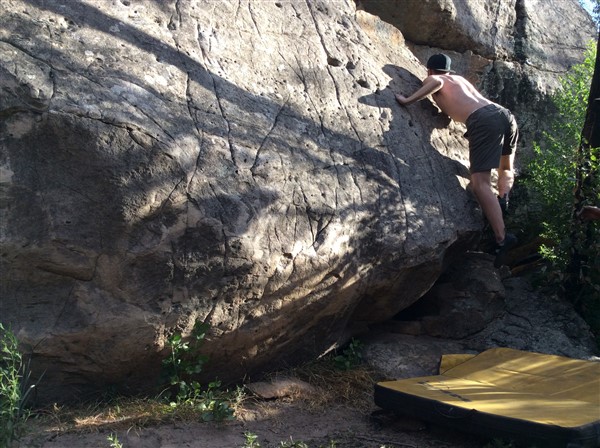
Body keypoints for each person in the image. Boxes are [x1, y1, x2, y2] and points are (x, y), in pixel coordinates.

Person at [395, 54, 518, 268]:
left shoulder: (437, 78)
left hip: (483, 120)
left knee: (480, 183)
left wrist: (408, 100)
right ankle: (503, 197)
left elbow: (437, 82)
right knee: (506, 167)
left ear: (430, 69)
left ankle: (502, 238)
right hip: (504, 115)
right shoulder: (460, 80)